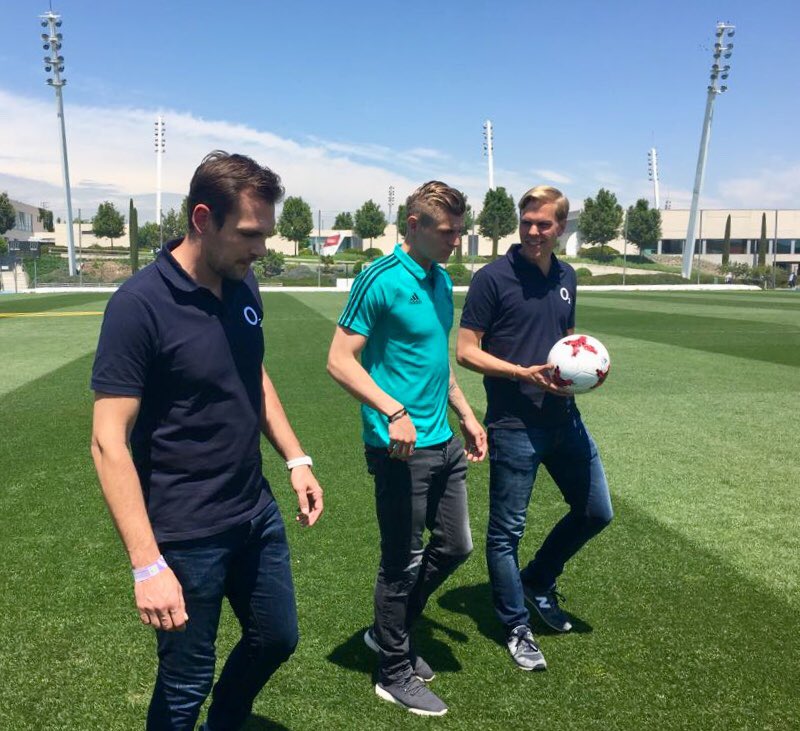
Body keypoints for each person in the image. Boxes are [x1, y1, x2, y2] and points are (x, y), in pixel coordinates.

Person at [90, 151, 323, 731]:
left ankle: (228, 722)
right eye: (249, 234)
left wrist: (295, 457)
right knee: (185, 681)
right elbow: (106, 442)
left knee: (276, 638)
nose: (261, 249)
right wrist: (147, 566)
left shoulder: (241, 285)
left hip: (254, 510)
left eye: (265, 234)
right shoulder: (138, 306)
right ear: (202, 218)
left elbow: (254, 376)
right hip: (185, 530)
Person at [327, 181, 487, 716]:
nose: (456, 243)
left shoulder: (441, 282)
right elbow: (340, 360)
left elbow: (435, 362)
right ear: (413, 225)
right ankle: (393, 669)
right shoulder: (379, 278)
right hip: (397, 447)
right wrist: (393, 411)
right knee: (402, 559)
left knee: (457, 546)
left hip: (442, 441)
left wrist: (465, 415)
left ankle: (387, 631)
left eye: (461, 233)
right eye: (447, 233)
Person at [456, 185, 613, 671]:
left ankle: (538, 581)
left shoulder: (567, 275)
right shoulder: (492, 278)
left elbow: (567, 339)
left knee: (596, 511)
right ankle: (516, 625)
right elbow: (465, 350)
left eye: (543, 224)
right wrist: (520, 372)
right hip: (514, 423)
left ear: (561, 227)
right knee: (506, 532)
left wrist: (585, 371)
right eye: (527, 222)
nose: (533, 232)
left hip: (564, 418)